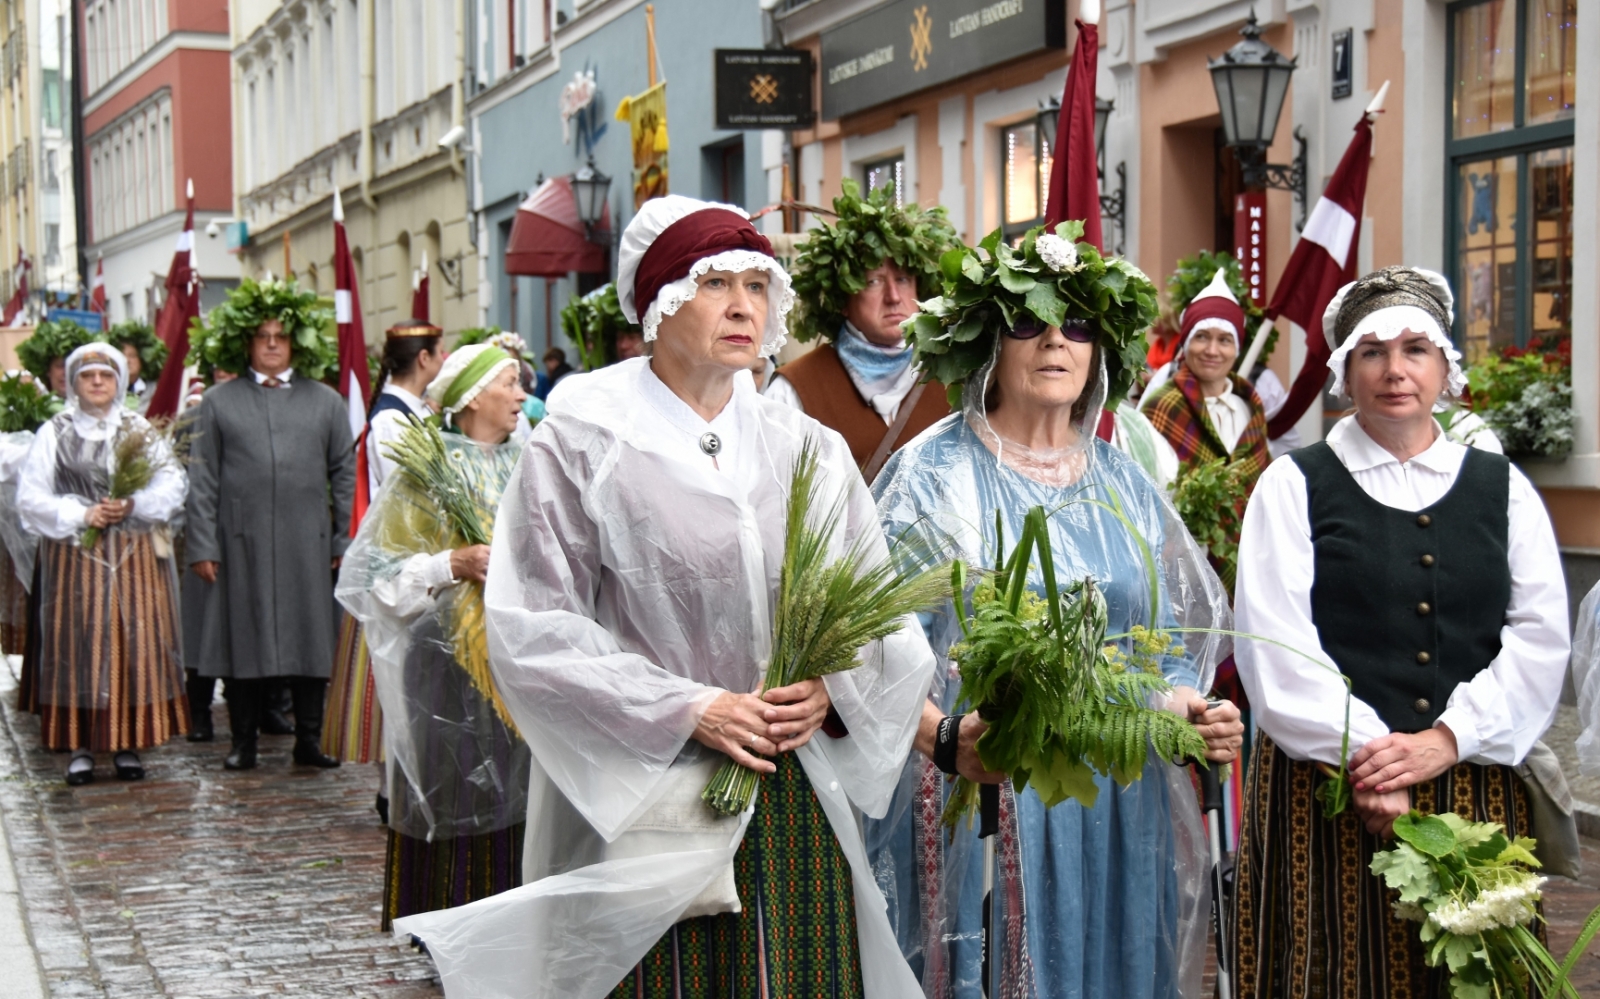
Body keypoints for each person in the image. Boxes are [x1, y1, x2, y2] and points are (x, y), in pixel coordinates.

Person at [389, 195, 937, 999]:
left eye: (758, 283)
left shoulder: (803, 446)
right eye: (715, 282)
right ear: (659, 301)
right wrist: (690, 707)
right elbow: (534, 629)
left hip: (793, 795)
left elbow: (872, 602)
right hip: (652, 789)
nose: (744, 304)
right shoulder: (581, 445)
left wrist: (827, 685)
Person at [877, 223, 1242, 997]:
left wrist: (1190, 707)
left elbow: (1167, 642)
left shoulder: (1125, 479)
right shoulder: (934, 474)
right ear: (987, 344)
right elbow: (876, 647)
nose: (1054, 340)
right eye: (1027, 322)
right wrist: (945, 737)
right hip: (989, 787)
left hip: (1117, 792)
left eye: (1076, 324)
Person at [1230, 267, 1569, 998]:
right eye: (1372, 353)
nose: (1395, 370)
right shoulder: (1293, 485)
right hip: (1329, 790)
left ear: (1446, 368)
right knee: (1335, 972)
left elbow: (1541, 636)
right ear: (1345, 373)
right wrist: (1370, 758)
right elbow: (1273, 641)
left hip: (1471, 784)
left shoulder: (1502, 487)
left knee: (1477, 979)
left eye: (1416, 348)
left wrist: (1443, 740)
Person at [338, 343, 532, 930]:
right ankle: (447, 924)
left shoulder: (530, 464)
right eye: (509, 384)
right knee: (458, 792)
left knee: (521, 794)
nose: (523, 394)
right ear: (472, 398)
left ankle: (514, 919)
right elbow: (378, 579)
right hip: (446, 670)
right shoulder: (427, 474)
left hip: (520, 660)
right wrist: (450, 563)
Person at [184, 278, 357, 772]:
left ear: (296, 341)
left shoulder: (325, 402)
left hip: (308, 540)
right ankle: (244, 742)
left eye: (281, 336)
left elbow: (344, 472)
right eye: (263, 337)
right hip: (241, 540)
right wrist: (201, 544)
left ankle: (309, 738)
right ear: (247, 343)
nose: (273, 344)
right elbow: (203, 476)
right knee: (244, 639)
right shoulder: (219, 401)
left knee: (310, 639)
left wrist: (343, 536)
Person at [16, 343, 188, 784]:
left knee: (132, 640)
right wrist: (82, 514)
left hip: (131, 557)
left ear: (119, 383)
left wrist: (132, 503)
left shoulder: (137, 429)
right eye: (88, 375)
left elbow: (172, 485)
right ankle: (80, 743)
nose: (97, 383)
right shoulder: (54, 431)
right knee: (79, 643)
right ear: (73, 382)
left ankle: (128, 743)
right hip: (73, 557)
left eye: (106, 376)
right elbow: (30, 498)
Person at [765, 180, 957, 477]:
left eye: (904, 279)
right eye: (874, 281)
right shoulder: (793, 390)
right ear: (843, 298)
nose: (894, 297)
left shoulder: (958, 377)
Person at [1141, 269, 1273, 588]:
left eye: (1224, 340)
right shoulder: (1163, 406)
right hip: (1178, 565)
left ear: (1237, 349)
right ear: (1186, 343)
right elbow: (1144, 487)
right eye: (1202, 337)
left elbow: (1261, 486)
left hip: (1246, 560)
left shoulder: (1250, 406)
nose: (1212, 350)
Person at [106, 321, 166, 413]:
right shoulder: (107, 388)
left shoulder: (155, 390)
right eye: (122, 356)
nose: (127, 361)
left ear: (143, 359)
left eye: (132, 356)